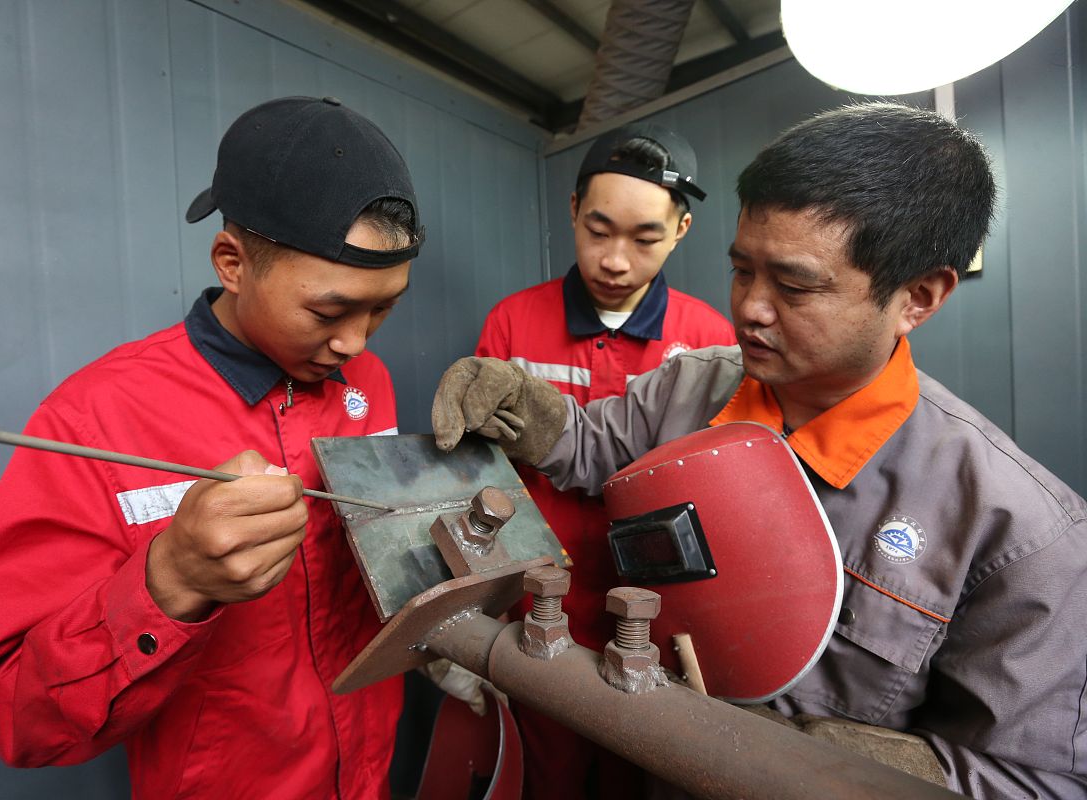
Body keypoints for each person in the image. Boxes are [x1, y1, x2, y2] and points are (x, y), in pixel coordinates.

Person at [431, 102, 1087, 798]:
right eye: (742, 270)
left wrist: (834, 764)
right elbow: (592, 447)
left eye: (794, 286)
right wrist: (526, 409)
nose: (749, 308)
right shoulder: (689, 387)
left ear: (918, 297)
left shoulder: (1023, 537)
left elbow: (1037, 780)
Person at [0, 96, 422, 799]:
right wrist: (169, 581)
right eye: (329, 310)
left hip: (369, 774)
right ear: (232, 263)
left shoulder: (368, 383)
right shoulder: (94, 420)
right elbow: (8, 712)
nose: (355, 342)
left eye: (383, 307)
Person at [471, 123, 734, 798]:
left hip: (656, 618)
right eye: (598, 230)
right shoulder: (511, 324)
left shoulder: (710, 342)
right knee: (547, 777)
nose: (614, 260)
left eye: (644, 238)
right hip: (536, 606)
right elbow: (482, 477)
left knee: (638, 777)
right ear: (573, 211)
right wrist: (476, 611)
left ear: (681, 230)